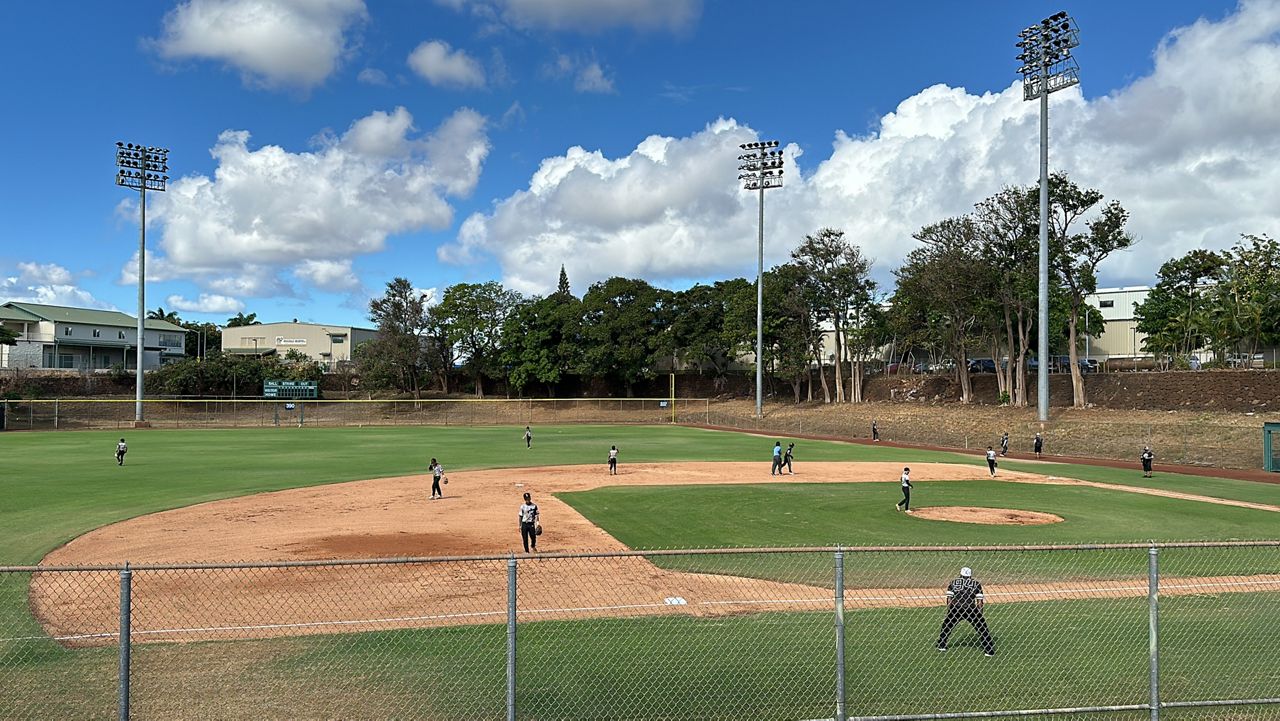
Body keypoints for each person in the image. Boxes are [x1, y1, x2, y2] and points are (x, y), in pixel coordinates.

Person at [937, 566, 996, 656]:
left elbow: (949, 599)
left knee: (947, 626)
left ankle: (941, 645)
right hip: (970, 608)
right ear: (970, 576)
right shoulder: (976, 584)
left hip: (956, 607)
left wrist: (949, 612)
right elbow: (979, 601)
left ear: (960, 574)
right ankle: (989, 650)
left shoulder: (953, 583)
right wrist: (979, 614)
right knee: (983, 629)